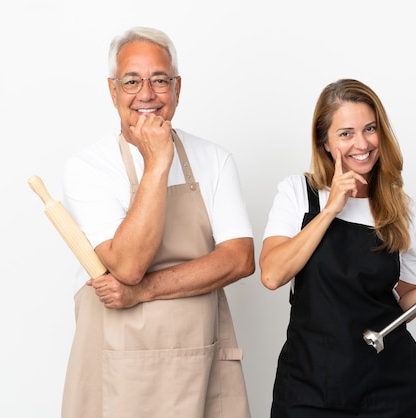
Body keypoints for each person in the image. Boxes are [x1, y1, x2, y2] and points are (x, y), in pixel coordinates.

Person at [60, 27, 254, 418]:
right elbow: (127, 265)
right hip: (116, 357)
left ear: (177, 89)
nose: (146, 94)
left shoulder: (215, 159)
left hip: (201, 353)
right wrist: (157, 164)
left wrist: (144, 292)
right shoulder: (87, 168)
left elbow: (239, 259)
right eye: (131, 81)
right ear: (112, 91)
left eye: (159, 80)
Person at [259, 79, 416, 417]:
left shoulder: (402, 210)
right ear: (325, 143)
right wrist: (331, 208)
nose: (362, 143)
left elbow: (406, 298)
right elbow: (272, 274)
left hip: (392, 383)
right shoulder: (299, 194)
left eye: (370, 129)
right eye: (346, 133)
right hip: (311, 384)